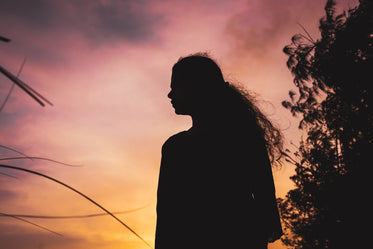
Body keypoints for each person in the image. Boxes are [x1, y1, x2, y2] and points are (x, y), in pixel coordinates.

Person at [155, 53, 283, 249]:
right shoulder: (245, 137)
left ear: (195, 88)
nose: (170, 95)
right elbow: (267, 207)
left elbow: (167, 219)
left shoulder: (177, 148)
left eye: (175, 87)